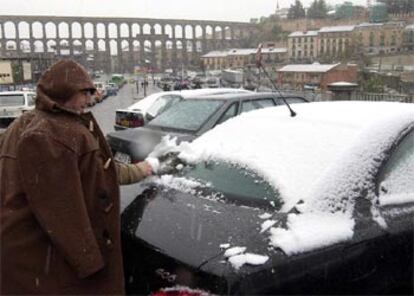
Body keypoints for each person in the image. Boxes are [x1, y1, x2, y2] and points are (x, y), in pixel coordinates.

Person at [0, 59, 153, 295]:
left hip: (24, 251)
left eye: (91, 92)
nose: (90, 99)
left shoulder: (25, 124)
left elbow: (99, 172)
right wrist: (89, 261)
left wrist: (143, 169)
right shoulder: (54, 135)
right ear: (64, 92)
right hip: (45, 257)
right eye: (84, 92)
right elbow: (60, 210)